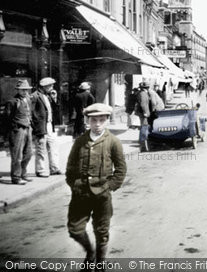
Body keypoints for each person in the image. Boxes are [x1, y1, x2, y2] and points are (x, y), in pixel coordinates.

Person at [66, 103, 126, 265]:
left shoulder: (113, 142)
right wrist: (74, 184)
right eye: (94, 120)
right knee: (75, 229)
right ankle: (90, 253)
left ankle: (100, 263)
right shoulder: (80, 141)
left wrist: (109, 187)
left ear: (107, 120)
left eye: (101, 120)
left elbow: (120, 169)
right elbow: (70, 166)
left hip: (102, 195)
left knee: (102, 231)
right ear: (88, 121)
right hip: (81, 194)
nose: (97, 124)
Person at [2, 80, 34, 185]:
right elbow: (6, 118)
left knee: (28, 153)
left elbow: (30, 113)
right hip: (17, 130)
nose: (25, 92)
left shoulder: (28, 100)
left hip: (28, 128)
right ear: (18, 90)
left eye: (27, 90)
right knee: (17, 155)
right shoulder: (12, 102)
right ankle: (16, 177)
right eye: (23, 90)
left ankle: (23, 174)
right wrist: (8, 133)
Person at [30, 77, 62, 177]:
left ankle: (54, 168)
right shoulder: (35, 96)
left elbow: (55, 110)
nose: (52, 87)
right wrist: (34, 126)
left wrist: (54, 98)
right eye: (51, 85)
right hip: (40, 126)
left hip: (49, 125)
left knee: (53, 147)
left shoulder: (48, 96)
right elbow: (31, 112)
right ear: (45, 86)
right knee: (41, 149)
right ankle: (40, 170)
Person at [135, 82, 151, 149]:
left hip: (141, 112)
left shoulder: (141, 93)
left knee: (143, 126)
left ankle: (141, 141)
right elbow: (143, 104)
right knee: (144, 126)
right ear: (146, 88)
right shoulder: (143, 94)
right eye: (147, 87)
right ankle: (143, 142)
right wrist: (145, 112)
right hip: (143, 113)